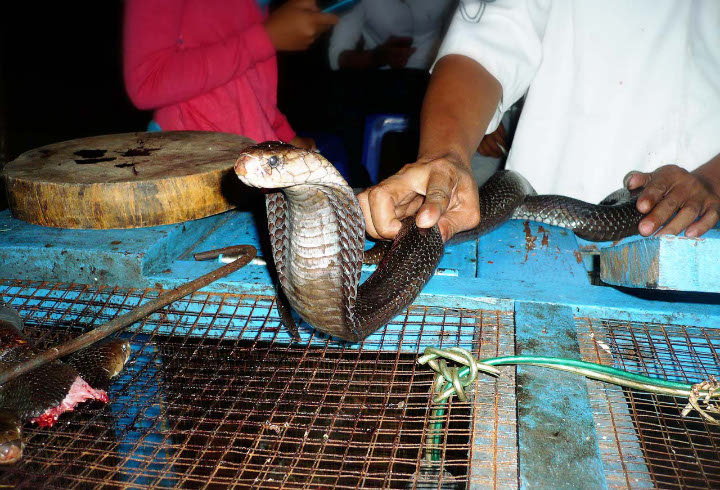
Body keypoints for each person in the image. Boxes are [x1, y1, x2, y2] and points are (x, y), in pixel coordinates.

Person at [358, 1, 720, 242]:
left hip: (698, 228)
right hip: (530, 230)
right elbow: (482, 49)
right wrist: (444, 156)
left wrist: (709, 181)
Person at [123, 0, 338, 150]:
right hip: (187, 164)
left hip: (253, 160)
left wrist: (284, 135)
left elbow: (246, 82)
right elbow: (147, 81)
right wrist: (267, 37)